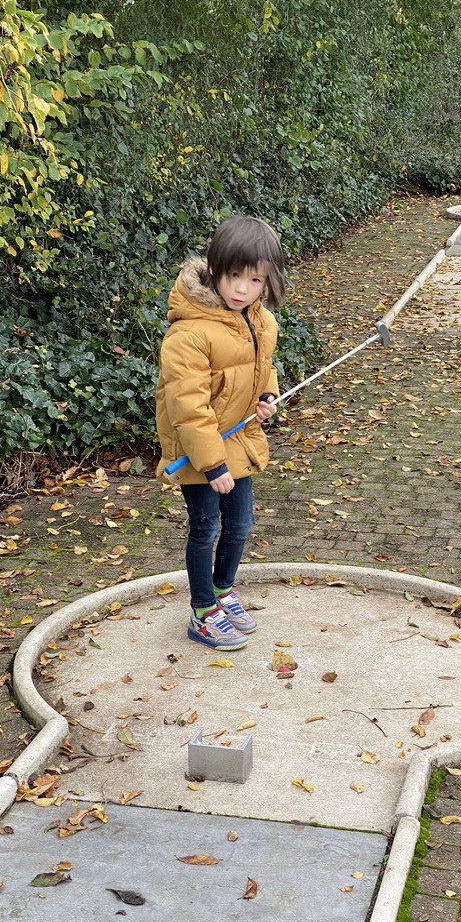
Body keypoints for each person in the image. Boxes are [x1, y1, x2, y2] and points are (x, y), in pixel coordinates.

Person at [155, 216, 285, 650]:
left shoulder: (261, 321)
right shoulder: (187, 334)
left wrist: (268, 395)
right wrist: (211, 464)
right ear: (214, 267)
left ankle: (224, 589)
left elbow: (262, 368)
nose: (242, 289)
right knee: (206, 526)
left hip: (240, 440)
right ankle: (203, 610)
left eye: (254, 280)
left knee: (240, 524)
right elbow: (188, 408)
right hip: (197, 451)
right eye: (233, 276)